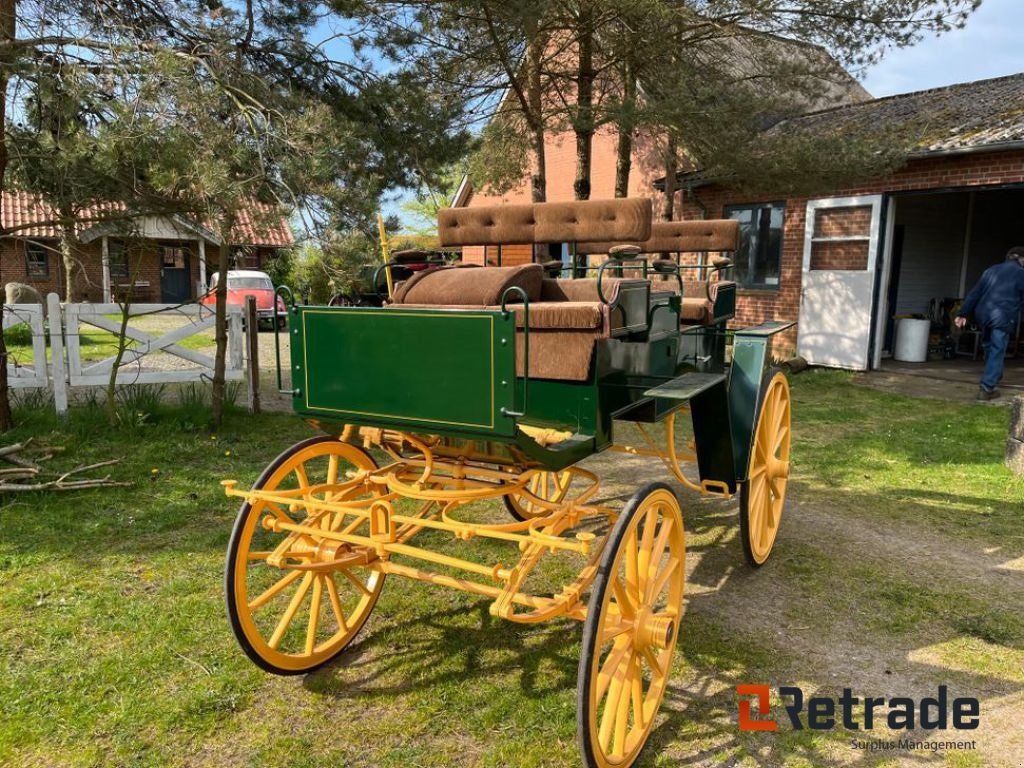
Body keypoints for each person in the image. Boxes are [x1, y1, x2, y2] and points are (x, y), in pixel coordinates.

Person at [955, 246, 1024, 400]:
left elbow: (975, 293)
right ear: (1020, 259)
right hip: (1002, 316)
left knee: (989, 346)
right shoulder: (1021, 274)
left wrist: (963, 313)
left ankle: (994, 374)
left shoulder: (991, 270)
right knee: (997, 349)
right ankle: (987, 388)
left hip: (983, 315)